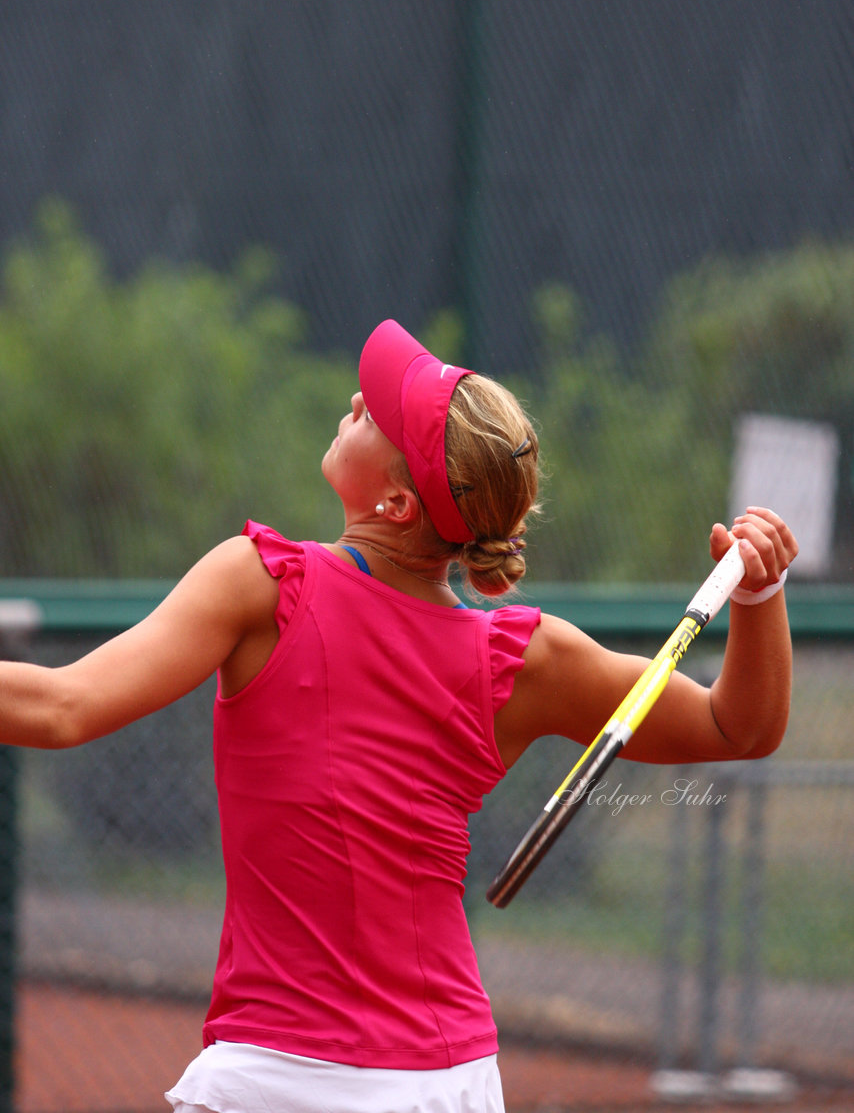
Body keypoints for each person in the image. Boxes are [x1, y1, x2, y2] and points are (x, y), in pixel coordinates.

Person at [0, 319, 797, 1113]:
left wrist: (758, 594)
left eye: (376, 412)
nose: (355, 399)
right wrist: (758, 597)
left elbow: (61, 706)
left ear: (398, 501)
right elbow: (741, 729)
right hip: (449, 1082)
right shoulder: (521, 660)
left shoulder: (264, 584)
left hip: (283, 1073)